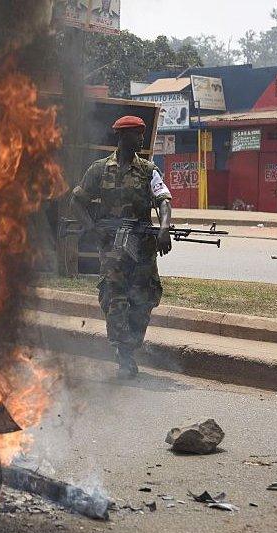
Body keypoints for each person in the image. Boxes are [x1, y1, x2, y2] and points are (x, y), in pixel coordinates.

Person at [69, 115, 172, 378]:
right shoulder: (100, 169)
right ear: (122, 136)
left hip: (142, 249)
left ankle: (131, 345)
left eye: (142, 134)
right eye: (136, 134)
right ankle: (124, 353)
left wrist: (163, 228)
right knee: (115, 298)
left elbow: (163, 200)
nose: (141, 139)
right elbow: (77, 202)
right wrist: (91, 229)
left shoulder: (149, 170)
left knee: (144, 299)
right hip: (113, 249)